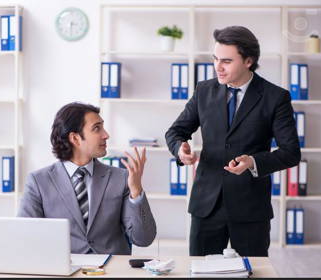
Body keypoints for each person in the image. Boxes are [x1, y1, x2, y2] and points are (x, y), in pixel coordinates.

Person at [165, 26, 301, 257]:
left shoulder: (276, 97)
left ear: (248, 61)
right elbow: (175, 131)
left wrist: (253, 162)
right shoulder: (204, 90)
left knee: (252, 277)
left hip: (250, 207)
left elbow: (290, 152)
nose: (218, 67)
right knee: (200, 276)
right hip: (206, 205)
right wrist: (180, 150)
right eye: (215, 59)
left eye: (226, 61)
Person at [18, 102, 156, 255]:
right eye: (97, 128)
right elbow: (25, 237)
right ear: (75, 138)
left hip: (111, 271)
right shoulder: (38, 182)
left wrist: (136, 191)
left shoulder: (121, 178)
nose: (106, 135)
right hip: (63, 270)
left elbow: (144, 239)